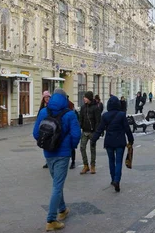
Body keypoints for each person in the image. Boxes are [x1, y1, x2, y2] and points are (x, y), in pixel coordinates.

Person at [33, 89, 81, 231]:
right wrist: (70, 146)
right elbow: (76, 134)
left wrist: (47, 144)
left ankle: (63, 209)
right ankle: (51, 220)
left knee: (57, 183)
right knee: (57, 185)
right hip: (63, 154)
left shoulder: (43, 112)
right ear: (65, 98)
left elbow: (36, 133)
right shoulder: (70, 114)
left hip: (48, 153)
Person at [92, 96, 134, 193]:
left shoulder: (105, 116)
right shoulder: (122, 115)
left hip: (109, 142)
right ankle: (117, 180)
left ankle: (112, 179)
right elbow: (127, 129)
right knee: (118, 162)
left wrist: (94, 139)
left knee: (111, 161)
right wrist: (131, 140)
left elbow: (100, 129)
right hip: (120, 142)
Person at [78, 91, 101, 175]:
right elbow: (81, 119)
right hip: (84, 131)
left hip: (92, 132)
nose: (84, 98)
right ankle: (85, 165)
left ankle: (92, 166)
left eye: (85, 97)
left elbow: (98, 121)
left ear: (89, 98)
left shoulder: (95, 108)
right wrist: (79, 127)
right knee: (82, 147)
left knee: (92, 149)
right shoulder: (83, 107)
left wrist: (96, 132)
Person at [40, 91, 52, 169]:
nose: (47, 99)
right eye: (45, 97)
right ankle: (47, 161)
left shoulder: (52, 106)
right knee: (45, 145)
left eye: (48, 97)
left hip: (51, 127)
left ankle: (50, 160)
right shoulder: (43, 108)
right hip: (44, 128)